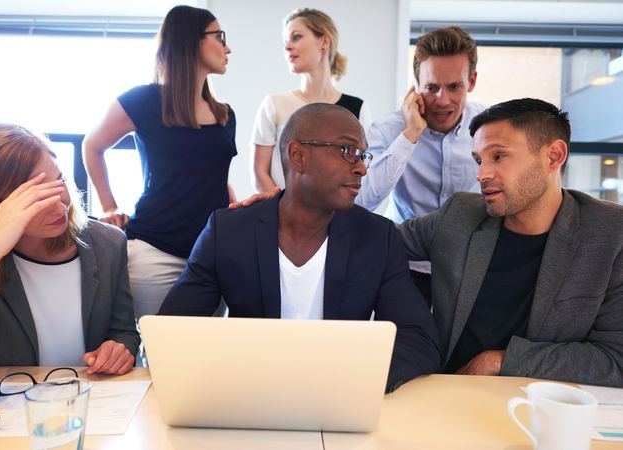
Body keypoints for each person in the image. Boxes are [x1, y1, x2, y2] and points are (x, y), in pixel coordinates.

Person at [160, 104, 442, 392]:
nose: (361, 167)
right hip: (250, 400)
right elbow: (171, 331)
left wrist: (348, 379)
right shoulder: (229, 232)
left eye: (363, 155)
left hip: (339, 403)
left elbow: (419, 340)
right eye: (348, 151)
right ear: (298, 156)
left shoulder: (376, 238)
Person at [397, 98, 623, 387]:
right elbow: (380, 240)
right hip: (447, 396)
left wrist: (498, 361)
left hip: (541, 407)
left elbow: (616, 359)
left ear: (553, 156)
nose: (481, 174)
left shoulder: (610, 233)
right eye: (479, 160)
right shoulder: (460, 215)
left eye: (498, 157)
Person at [0, 124, 140, 403]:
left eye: (59, 182)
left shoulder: (107, 244)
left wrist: (121, 349)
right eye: (36, 196)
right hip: (2, 417)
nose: (60, 204)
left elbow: (123, 332)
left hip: (88, 407)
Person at [83, 5, 236, 320]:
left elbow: (215, 177)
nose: (227, 47)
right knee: (158, 354)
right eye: (219, 36)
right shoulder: (143, 100)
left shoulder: (225, 114)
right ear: (190, 40)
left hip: (211, 254)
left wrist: (239, 210)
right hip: (156, 251)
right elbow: (92, 146)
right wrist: (109, 206)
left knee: (205, 355)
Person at [356, 26, 485, 304]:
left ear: (471, 82)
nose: (442, 99)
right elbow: (362, 198)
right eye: (431, 87)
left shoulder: (490, 128)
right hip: (405, 267)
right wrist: (410, 134)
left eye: (455, 87)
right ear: (415, 85)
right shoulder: (390, 129)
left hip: (471, 268)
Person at [250, 7, 372, 193]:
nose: (287, 46)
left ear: (324, 41)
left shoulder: (357, 109)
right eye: (285, 41)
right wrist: (282, 211)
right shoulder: (273, 105)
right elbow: (260, 173)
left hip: (338, 218)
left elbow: (361, 171)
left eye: (296, 37)